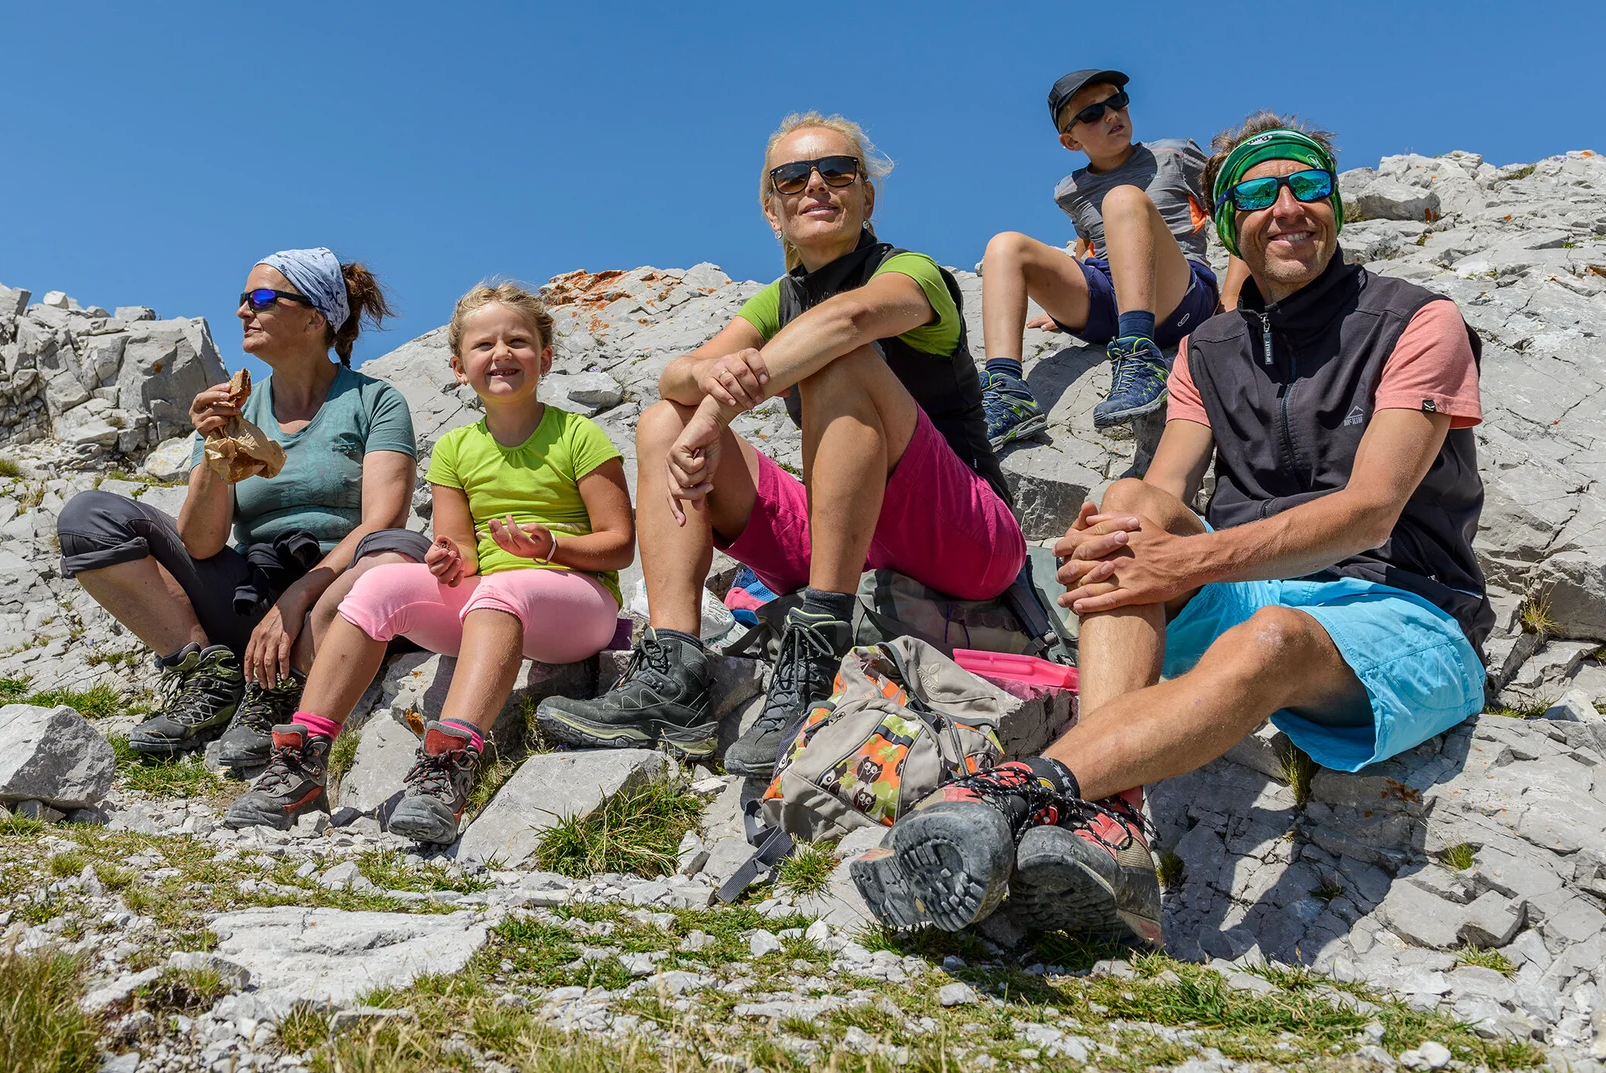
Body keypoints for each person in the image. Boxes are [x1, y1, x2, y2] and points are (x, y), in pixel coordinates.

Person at [857, 113, 1492, 946]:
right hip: (1251, 587)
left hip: (1406, 610)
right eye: (1259, 195)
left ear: (1335, 204)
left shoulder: (1417, 321)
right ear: (1227, 223)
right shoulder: (1208, 348)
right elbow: (1161, 492)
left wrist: (1185, 561)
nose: (1288, 207)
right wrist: (1108, 541)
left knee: (1270, 634)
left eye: (1307, 185)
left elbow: (1372, 508)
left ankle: (1015, 789)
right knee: (1126, 503)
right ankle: (1114, 823)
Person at [536, 112, 1028, 778]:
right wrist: (708, 380)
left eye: (838, 171)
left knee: (840, 360)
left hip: (965, 534)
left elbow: (850, 317)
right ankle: (673, 675)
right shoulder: (779, 300)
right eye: (793, 177)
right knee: (663, 422)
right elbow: (675, 374)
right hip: (845, 531)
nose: (816, 184)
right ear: (773, 210)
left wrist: (720, 407)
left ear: (866, 196)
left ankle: (819, 653)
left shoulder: (911, 272)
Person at [225, 283, 634, 842]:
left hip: (579, 603)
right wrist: (447, 559)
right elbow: (462, 552)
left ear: (545, 358)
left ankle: (447, 769)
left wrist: (551, 549)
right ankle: (303, 758)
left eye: (517, 341)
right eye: (483, 345)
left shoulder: (579, 434)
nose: (501, 353)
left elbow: (620, 544)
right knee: (380, 585)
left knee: (503, 591)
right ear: (459, 368)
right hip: (492, 602)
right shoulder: (454, 449)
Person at [57, 249, 426, 766]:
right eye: (243, 298)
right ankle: (211, 679)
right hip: (253, 593)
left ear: (315, 318)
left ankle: (286, 688)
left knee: (398, 548)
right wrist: (214, 447)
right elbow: (201, 543)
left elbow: (383, 520)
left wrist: (296, 599)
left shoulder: (374, 401)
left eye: (263, 298)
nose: (242, 311)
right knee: (88, 518)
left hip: (338, 598)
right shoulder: (233, 408)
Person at [978, 69, 1245, 446]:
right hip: (1109, 305)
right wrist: (1063, 303)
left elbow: (1239, 215)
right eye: (1091, 113)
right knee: (1004, 244)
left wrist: (1232, 296)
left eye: (1116, 101)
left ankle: (1140, 359)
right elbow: (1087, 244)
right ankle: (1007, 391)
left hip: (1177, 296)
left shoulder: (1174, 155)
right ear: (1070, 141)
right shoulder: (1069, 190)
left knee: (1122, 198)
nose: (1110, 115)